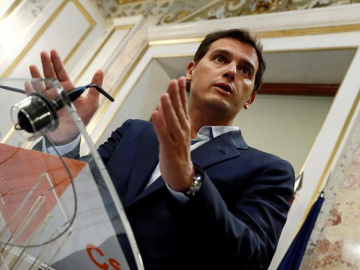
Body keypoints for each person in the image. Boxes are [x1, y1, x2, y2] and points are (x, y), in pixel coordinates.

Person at [30, 29, 295, 270]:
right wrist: (63, 138)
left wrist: (190, 184)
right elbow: (68, 195)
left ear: (250, 98)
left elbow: (252, 259)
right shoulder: (134, 132)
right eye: (220, 59)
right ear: (191, 70)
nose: (231, 72)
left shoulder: (270, 171)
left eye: (245, 70)